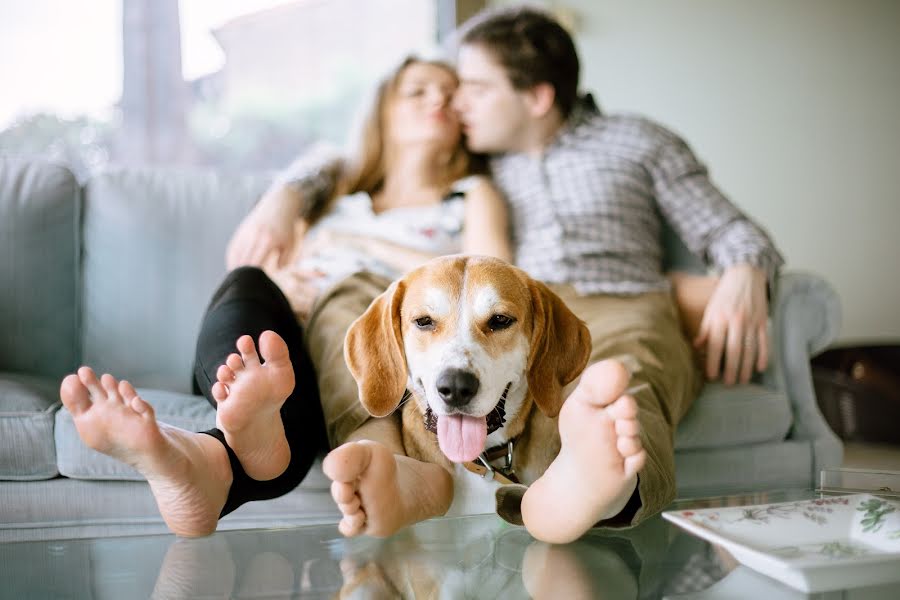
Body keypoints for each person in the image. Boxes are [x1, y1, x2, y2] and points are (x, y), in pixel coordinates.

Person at [227, 6, 784, 544]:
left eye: (475, 87)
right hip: (512, 313)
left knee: (623, 381)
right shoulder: (475, 158)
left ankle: (595, 492)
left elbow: (735, 232)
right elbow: (353, 157)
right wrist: (285, 197)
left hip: (624, 301)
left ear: (537, 97)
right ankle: (414, 471)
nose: (454, 102)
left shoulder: (640, 141)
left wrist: (742, 271)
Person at [58, 56, 511, 537]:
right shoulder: (337, 191)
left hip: (375, 347)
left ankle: (213, 461)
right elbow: (257, 255)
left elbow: (496, 276)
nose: (437, 99)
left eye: (448, 92)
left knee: (326, 338)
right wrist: (286, 276)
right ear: (383, 109)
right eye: (418, 90)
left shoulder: (469, 195)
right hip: (291, 334)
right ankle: (247, 422)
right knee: (248, 285)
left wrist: (360, 248)